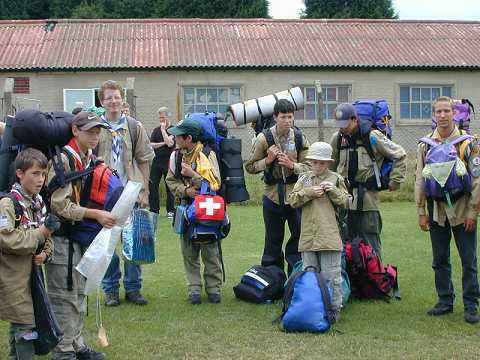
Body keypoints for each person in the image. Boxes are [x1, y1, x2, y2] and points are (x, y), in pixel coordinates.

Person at [46, 112, 115, 360]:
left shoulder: (87, 158)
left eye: (98, 132)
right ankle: (63, 352)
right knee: (63, 296)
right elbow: (59, 206)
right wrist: (96, 214)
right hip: (61, 238)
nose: (95, 136)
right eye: (90, 131)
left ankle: (76, 344)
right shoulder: (63, 159)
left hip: (78, 236)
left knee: (78, 292)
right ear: (75, 130)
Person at [415, 96, 480, 324]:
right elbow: (419, 180)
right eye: (438, 112)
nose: (442, 116)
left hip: (462, 209)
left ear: (454, 114)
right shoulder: (425, 145)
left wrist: (474, 212)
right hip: (437, 212)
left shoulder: (469, 143)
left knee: (468, 260)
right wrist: (421, 210)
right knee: (440, 259)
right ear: (433, 115)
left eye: (446, 111)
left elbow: (477, 180)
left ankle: (471, 305)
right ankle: (445, 301)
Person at [95, 80, 154, 306]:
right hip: (104, 194)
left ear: (122, 99)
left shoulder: (133, 126)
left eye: (116, 97)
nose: (112, 101)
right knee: (107, 244)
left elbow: (144, 160)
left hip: (130, 191)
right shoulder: (95, 127)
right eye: (108, 97)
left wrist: (145, 190)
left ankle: (133, 288)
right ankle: (110, 289)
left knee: (133, 242)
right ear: (102, 102)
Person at [0, 148, 57, 359]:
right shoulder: (9, 204)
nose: (40, 179)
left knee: (23, 324)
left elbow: (47, 237)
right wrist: (39, 234)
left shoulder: (37, 203)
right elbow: (5, 239)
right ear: (20, 173)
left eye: (43, 174)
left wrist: (45, 255)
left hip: (33, 277)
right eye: (35, 173)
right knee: (26, 327)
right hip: (12, 277)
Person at [330, 103, 407, 258]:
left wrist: (394, 181)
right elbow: (331, 164)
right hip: (343, 200)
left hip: (367, 200)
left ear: (355, 119)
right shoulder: (337, 138)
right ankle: (350, 281)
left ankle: (376, 280)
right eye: (339, 125)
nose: (342, 128)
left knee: (370, 244)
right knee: (344, 244)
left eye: (345, 124)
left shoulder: (372, 136)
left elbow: (400, 154)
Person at [245, 99, 310, 275]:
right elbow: (250, 166)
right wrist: (267, 161)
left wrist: (292, 165)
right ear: (275, 117)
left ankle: (296, 278)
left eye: (290, 117)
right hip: (272, 196)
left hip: (296, 196)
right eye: (283, 117)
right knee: (273, 240)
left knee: (298, 239)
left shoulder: (299, 137)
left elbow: (310, 168)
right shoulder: (263, 138)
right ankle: (272, 279)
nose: (287, 121)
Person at [288, 142, 351, 321]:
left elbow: (347, 202)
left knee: (332, 276)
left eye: (321, 163)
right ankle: (313, 309)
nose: (317, 166)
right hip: (308, 236)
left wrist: (334, 192)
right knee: (309, 276)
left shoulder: (336, 178)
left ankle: (334, 310)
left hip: (329, 236)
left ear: (328, 163)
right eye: (314, 162)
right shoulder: (304, 179)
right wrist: (308, 192)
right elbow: (292, 200)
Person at [165, 118, 223, 305]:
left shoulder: (208, 155)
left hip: (208, 208)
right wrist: (185, 191)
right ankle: (194, 290)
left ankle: (214, 289)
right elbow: (170, 180)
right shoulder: (175, 156)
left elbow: (215, 183)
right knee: (188, 250)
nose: (174, 138)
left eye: (178, 135)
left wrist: (194, 176)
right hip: (185, 208)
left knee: (210, 248)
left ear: (188, 138)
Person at [149, 106, 175, 217]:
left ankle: (170, 210)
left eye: (163, 117)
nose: (161, 120)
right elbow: (151, 145)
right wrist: (163, 143)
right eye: (159, 118)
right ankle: (154, 210)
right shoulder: (156, 130)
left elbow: (170, 143)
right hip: (157, 161)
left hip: (168, 161)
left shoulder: (174, 129)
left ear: (168, 117)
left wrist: (163, 130)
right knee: (152, 185)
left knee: (169, 186)